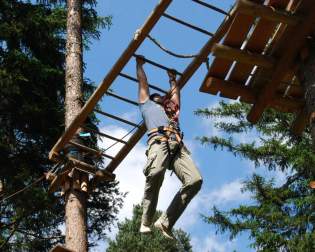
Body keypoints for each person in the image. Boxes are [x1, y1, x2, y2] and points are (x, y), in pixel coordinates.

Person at [136, 55, 203, 239]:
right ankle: (146, 221)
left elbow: (175, 95)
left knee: (195, 180)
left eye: (163, 97)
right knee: (156, 173)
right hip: (158, 142)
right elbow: (143, 83)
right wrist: (139, 65)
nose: (161, 97)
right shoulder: (147, 106)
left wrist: (172, 79)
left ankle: (166, 221)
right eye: (157, 96)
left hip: (177, 146)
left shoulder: (171, 111)